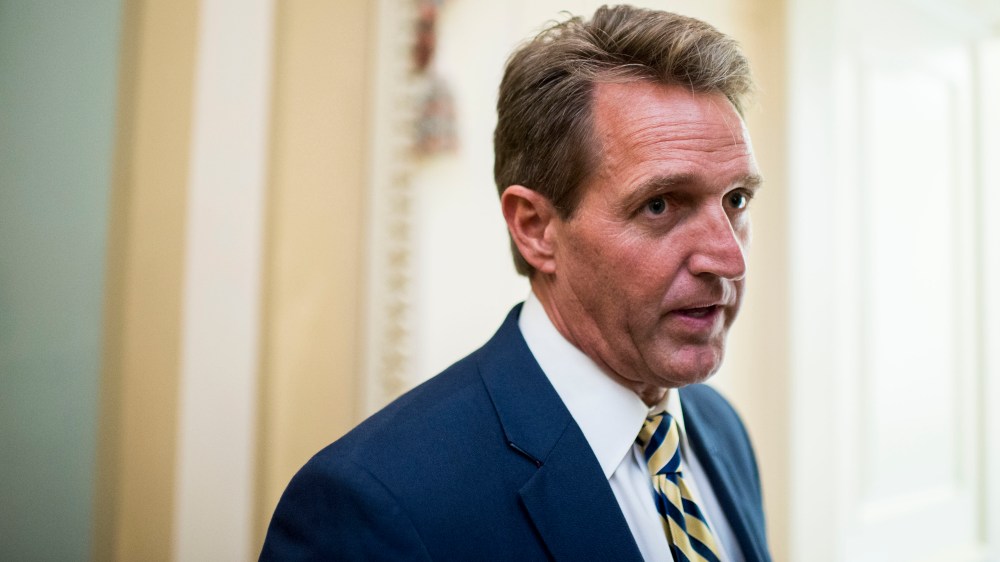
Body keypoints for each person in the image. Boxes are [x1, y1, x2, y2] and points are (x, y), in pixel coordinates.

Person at [261, 5, 771, 561]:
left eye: (736, 200)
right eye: (659, 204)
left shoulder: (719, 431)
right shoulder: (372, 504)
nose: (729, 259)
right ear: (535, 229)